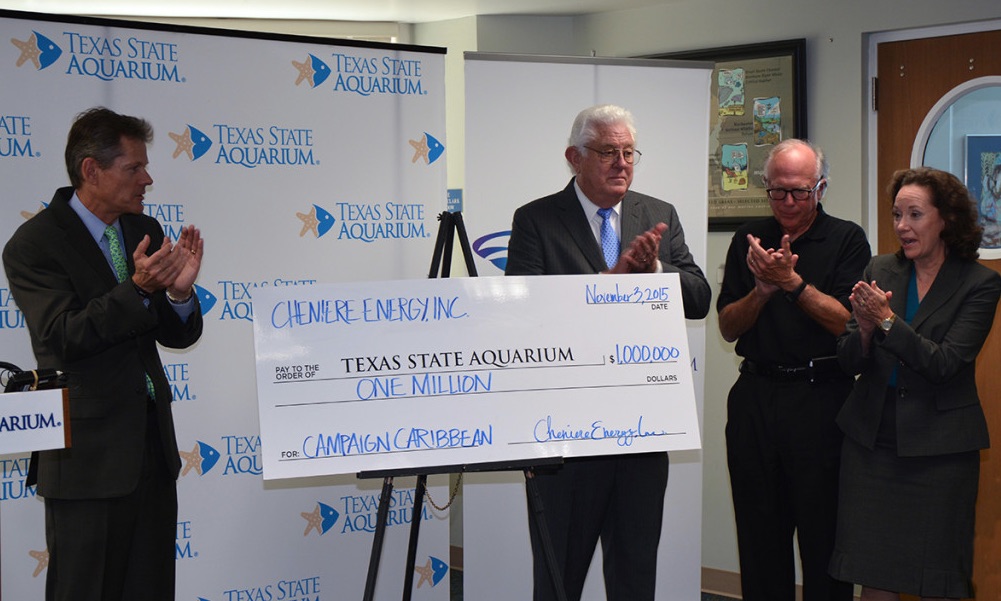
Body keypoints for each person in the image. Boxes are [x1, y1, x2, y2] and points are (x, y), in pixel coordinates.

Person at [505, 104, 711, 601]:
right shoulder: (536, 220)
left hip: (641, 429)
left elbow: (700, 298)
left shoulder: (657, 215)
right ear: (574, 157)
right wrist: (609, 284)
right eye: (607, 152)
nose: (622, 163)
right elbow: (524, 314)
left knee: (635, 578)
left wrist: (655, 274)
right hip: (566, 435)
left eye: (628, 152)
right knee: (559, 581)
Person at [2, 107, 205, 601]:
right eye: (133, 168)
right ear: (91, 170)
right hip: (86, 463)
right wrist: (135, 289)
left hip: (152, 454)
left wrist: (178, 296)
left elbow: (176, 337)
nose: (147, 179)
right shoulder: (34, 245)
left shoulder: (143, 229)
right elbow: (61, 335)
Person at [829, 167, 1001, 601]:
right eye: (896, 214)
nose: (902, 226)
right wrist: (865, 330)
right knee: (875, 573)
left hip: (939, 452)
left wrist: (885, 321)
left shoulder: (980, 284)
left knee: (939, 578)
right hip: (872, 444)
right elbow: (848, 357)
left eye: (915, 214)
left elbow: (944, 363)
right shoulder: (879, 270)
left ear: (946, 219)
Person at [717, 139, 870, 601]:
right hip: (756, 399)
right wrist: (762, 291)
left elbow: (849, 322)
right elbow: (727, 326)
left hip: (822, 399)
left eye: (799, 192)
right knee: (760, 539)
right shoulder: (750, 236)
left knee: (825, 543)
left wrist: (792, 284)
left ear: (820, 188)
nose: (787, 202)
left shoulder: (846, 239)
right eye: (777, 191)